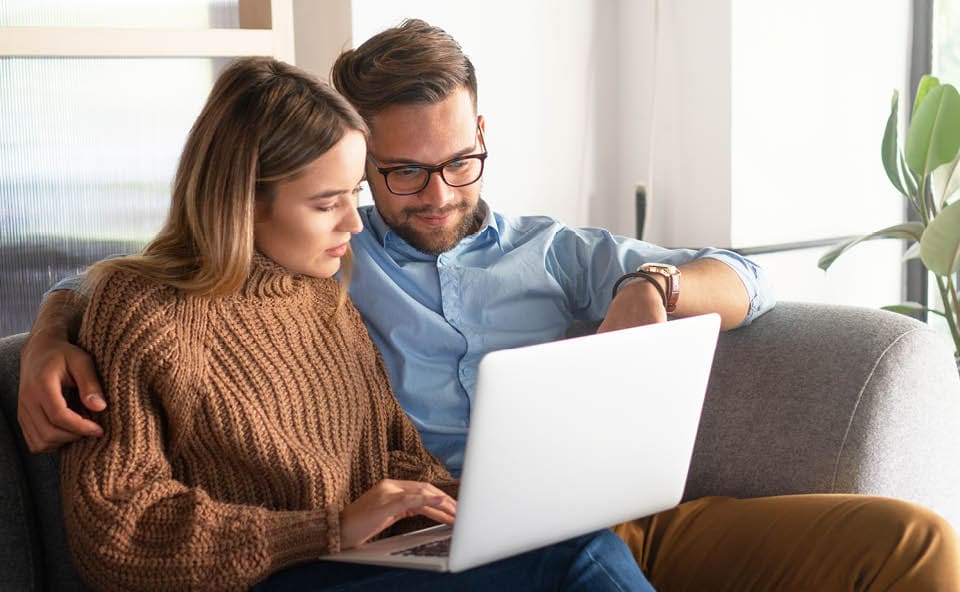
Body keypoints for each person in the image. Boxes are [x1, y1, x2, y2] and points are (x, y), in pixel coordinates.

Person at [18, 19, 960, 591]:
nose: (435, 194)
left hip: (601, 515)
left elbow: (743, 278)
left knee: (912, 542)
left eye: (461, 160)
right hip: (445, 544)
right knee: (574, 566)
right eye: (398, 174)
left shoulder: (553, 253)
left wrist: (652, 287)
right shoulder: (335, 269)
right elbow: (154, 283)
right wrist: (51, 333)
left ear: (483, 133)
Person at [52, 56, 653, 592]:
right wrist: (327, 530)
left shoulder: (322, 298)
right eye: (326, 204)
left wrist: (473, 508)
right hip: (268, 574)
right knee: (579, 559)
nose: (356, 224)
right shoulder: (142, 312)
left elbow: (392, 456)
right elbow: (116, 532)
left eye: (353, 194)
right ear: (244, 201)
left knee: (573, 541)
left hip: (354, 561)